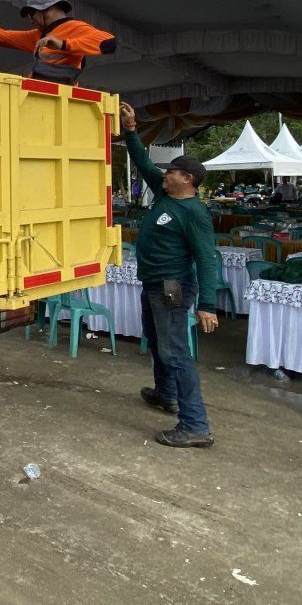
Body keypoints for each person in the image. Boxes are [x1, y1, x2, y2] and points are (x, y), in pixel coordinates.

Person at [120, 102, 219, 448]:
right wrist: (131, 130)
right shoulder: (164, 194)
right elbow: (145, 163)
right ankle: (166, 394)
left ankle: (195, 425)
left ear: (187, 179)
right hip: (154, 285)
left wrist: (207, 303)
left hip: (172, 287)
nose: (166, 173)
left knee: (175, 351)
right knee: (157, 340)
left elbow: (207, 258)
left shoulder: (194, 213)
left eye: (173, 171)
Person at [0, 0, 117, 84]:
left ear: (49, 9)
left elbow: (109, 42)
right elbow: (5, 36)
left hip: (58, 95)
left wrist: (62, 44)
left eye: (32, 13)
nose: (30, 19)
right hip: (39, 92)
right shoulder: (40, 35)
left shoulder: (75, 27)